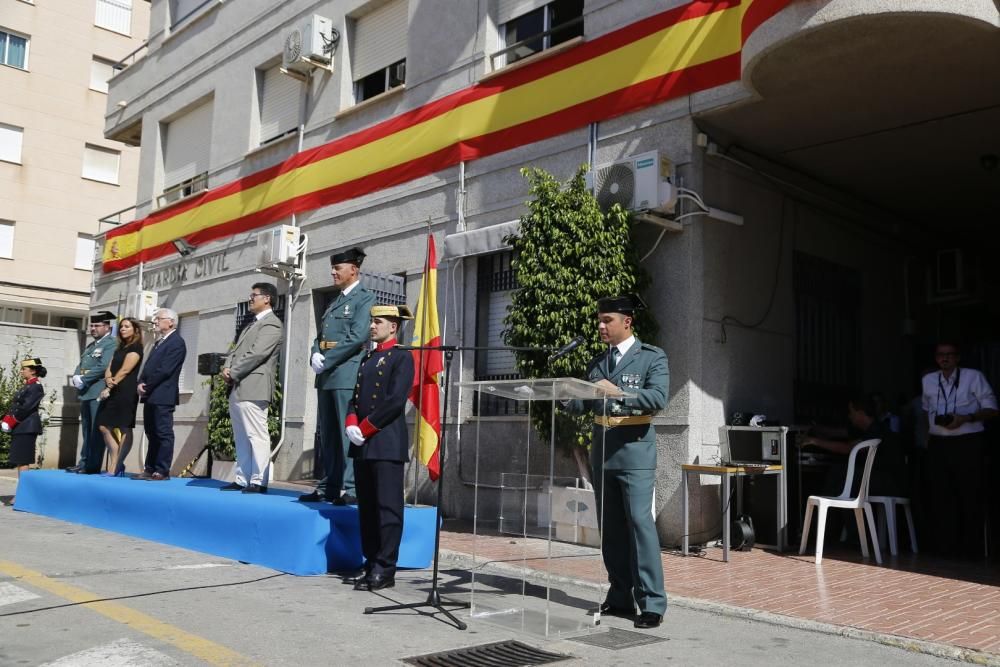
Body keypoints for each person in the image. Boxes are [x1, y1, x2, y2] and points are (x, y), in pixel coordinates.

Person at [566, 294, 669, 630]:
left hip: (635, 451)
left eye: (607, 320)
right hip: (604, 452)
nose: (601, 326)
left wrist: (617, 393)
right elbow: (586, 405)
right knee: (610, 528)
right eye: (599, 320)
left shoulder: (651, 357)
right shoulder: (598, 362)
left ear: (627, 322)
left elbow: (657, 397)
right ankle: (620, 595)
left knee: (640, 525)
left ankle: (651, 602)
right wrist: (570, 396)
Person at [346, 304, 415, 591]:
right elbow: (356, 397)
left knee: (388, 509)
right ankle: (370, 561)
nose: (372, 326)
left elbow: (395, 401)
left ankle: (385, 569)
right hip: (363, 444)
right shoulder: (368, 357)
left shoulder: (402, 357)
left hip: (385, 442)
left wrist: (364, 427)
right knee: (368, 509)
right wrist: (351, 421)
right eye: (372, 321)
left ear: (393, 327)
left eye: (378, 322)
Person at [300, 247, 375, 505]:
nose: (333, 272)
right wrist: (314, 354)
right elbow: (320, 338)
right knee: (328, 434)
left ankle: (351, 487)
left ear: (353, 270)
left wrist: (327, 359)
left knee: (346, 433)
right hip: (327, 375)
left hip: (345, 373)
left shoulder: (364, 298)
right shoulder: (335, 300)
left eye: (338, 268)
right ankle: (329, 486)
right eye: (333, 268)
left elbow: (357, 337)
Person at [921, 342, 997, 557]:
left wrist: (966, 418)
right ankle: (946, 548)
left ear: (957, 358)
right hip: (939, 444)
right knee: (940, 495)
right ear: (936, 358)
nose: (945, 358)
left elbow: (992, 409)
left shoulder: (974, 377)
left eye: (950, 355)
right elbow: (927, 412)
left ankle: (971, 550)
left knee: (969, 494)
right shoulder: (928, 380)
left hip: (968, 441)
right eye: (940, 355)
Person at [219, 282, 284, 494]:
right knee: (241, 435)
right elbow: (235, 350)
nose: (250, 298)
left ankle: (259, 480)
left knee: (257, 435)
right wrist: (227, 367)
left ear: (267, 298)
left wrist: (234, 371)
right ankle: (242, 478)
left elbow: (257, 354)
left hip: (254, 385)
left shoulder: (272, 324)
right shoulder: (250, 324)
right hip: (238, 386)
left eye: (254, 295)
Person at [136, 308, 187, 481]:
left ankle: (162, 470)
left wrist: (147, 385)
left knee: (163, 432)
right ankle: (150, 468)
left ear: (171, 322)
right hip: (151, 394)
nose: (155, 321)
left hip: (163, 395)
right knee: (151, 432)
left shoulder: (176, 342)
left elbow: (165, 370)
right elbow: (149, 366)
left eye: (158, 318)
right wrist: (140, 382)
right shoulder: (159, 342)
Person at [90, 317, 144, 475]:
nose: (123, 329)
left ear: (135, 330)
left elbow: (125, 370)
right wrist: (108, 379)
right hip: (113, 388)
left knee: (124, 427)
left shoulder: (136, 348)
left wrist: (110, 386)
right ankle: (116, 460)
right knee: (103, 426)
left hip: (126, 391)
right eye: (121, 327)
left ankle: (116, 465)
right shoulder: (119, 347)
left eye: (127, 326)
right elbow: (110, 367)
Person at [66, 311, 117, 472]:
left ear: (107, 327)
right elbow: (82, 364)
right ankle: (84, 462)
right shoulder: (91, 345)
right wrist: (76, 376)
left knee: (96, 430)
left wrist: (84, 379)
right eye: (91, 325)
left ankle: (92, 465)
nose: (93, 328)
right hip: (86, 392)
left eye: (97, 325)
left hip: (97, 391)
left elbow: (103, 366)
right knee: (87, 430)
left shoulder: (110, 343)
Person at [2, 358, 47, 501]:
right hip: (21, 426)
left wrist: (11, 421)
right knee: (20, 460)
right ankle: (22, 493)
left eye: (24, 369)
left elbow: (26, 407)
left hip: (27, 426)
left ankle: (23, 495)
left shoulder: (36, 387)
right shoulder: (27, 385)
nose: (21, 371)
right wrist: (5, 419)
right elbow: (16, 405)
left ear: (33, 370)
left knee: (23, 460)